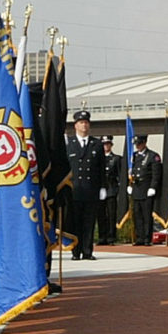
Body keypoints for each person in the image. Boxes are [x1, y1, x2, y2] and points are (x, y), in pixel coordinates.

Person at [64, 110, 104, 260]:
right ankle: (76, 251)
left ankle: (87, 251)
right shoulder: (70, 144)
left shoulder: (97, 144)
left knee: (89, 222)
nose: (84, 125)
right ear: (75, 125)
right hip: (75, 190)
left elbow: (101, 168)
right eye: (81, 122)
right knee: (75, 222)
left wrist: (103, 187)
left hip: (91, 189)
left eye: (86, 122)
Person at [128, 135, 160, 245]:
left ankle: (147, 238)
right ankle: (139, 237)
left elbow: (156, 174)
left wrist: (153, 187)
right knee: (137, 215)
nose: (137, 146)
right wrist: (130, 185)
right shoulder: (134, 156)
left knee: (147, 215)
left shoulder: (152, 156)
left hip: (146, 188)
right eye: (136, 144)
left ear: (145, 143)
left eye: (139, 143)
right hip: (136, 188)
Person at [99, 136, 123, 245]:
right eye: (104, 144)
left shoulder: (117, 159)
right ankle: (102, 237)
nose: (106, 146)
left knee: (111, 215)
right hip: (100, 190)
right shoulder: (98, 158)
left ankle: (111, 237)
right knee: (101, 215)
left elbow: (120, 175)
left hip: (111, 189)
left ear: (111, 145)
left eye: (108, 144)